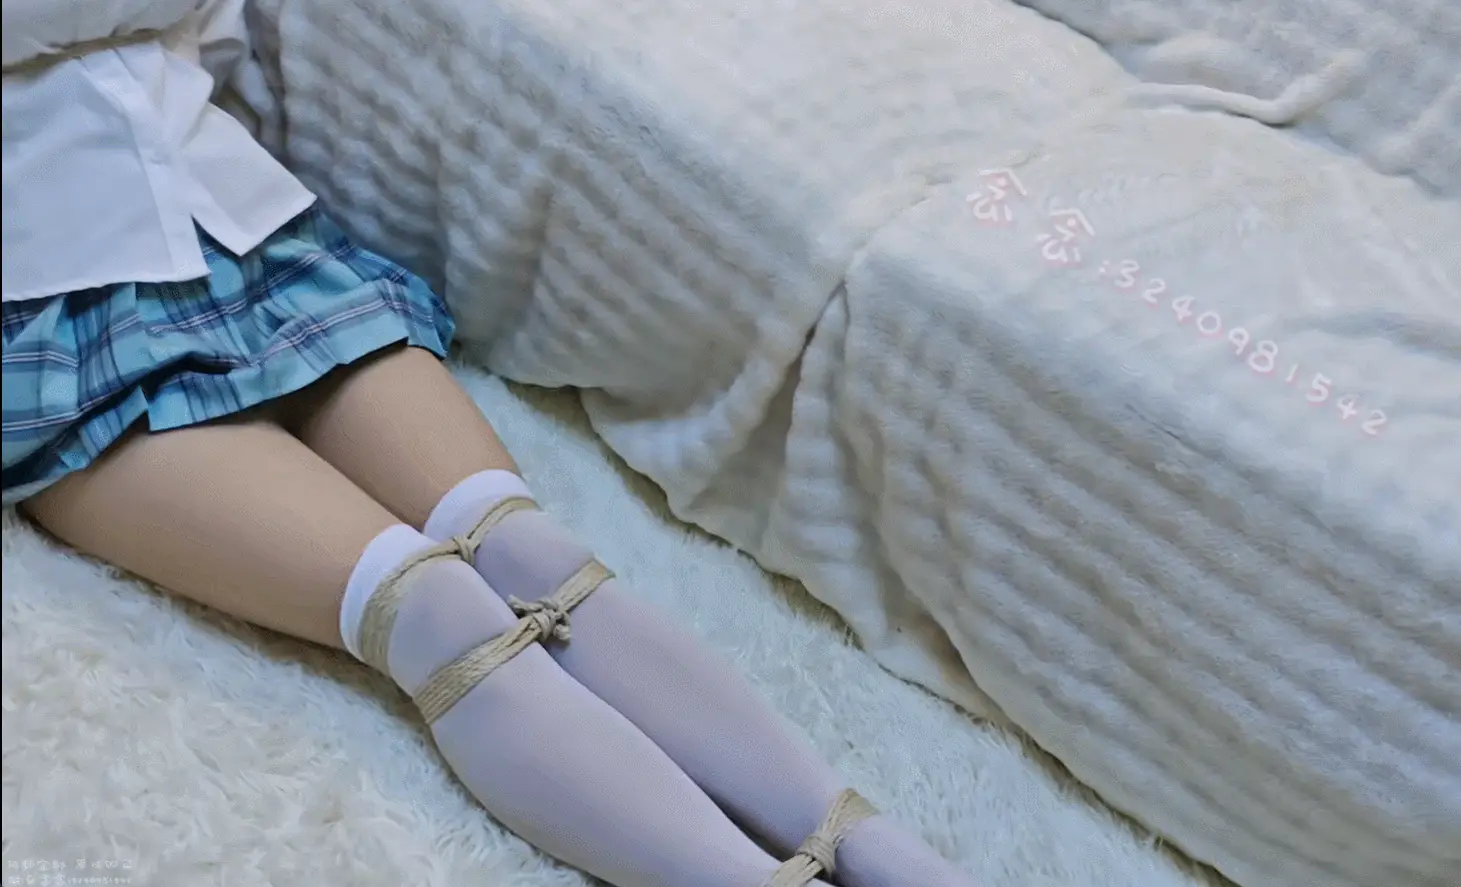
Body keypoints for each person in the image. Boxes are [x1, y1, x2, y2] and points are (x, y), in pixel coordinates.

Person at [1, 3, 987, 887]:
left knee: (532, 555)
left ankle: (877, 849)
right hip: (45, 314)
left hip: (249, 235)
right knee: (432, 607)